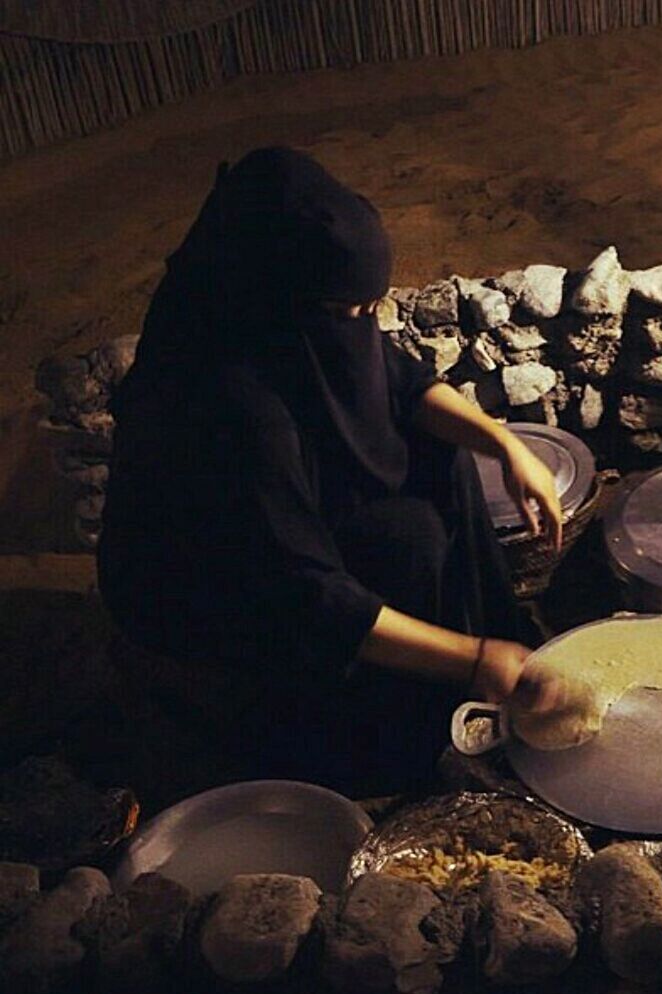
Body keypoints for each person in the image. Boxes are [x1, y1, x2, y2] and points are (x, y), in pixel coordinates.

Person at [98, 147, 563, 794]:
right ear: (280, 301)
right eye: (348, 313)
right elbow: (303, 592)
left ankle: (482, 648)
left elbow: (399, 380)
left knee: (447, 454)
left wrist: (503, 445)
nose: (362, 326)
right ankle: (395, 741)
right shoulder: (224, 401)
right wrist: (475, 661)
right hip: (208, 589)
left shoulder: (280, 313)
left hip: (289, 493)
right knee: (406, 540)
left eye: (371, 309)